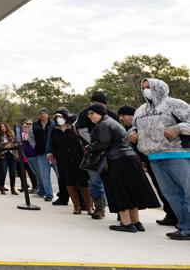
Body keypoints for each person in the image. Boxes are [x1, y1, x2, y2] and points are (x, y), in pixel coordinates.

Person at [128, 78, 190, 241]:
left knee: (187, 192)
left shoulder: (175, 104)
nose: (147, 90)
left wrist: (178, 128)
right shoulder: (141, 110)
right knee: (170, 195)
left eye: (149, 87)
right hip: (154, 157)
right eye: (144, 88)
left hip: (178, 154)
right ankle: (185, 227)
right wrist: (131, 134)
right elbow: (134, 127)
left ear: (159, 87)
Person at [86, 104, 159, 232]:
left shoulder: (104, 124)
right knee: (130, 191)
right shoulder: (112, 122)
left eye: (92, 113)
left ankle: (126, 223)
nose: (90, 116)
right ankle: (135, 222)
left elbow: (103, 143)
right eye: (88, 114)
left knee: (120, 191)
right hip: (130, 159)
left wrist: (89, 147)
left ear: (100, 113)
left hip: (118, 160)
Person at [117, 104, 177, 227]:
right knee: (161, 189)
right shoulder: (129, 130)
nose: (121, 118)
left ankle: (175, 215)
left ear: (132, 116)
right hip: (145, 163)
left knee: (166, 189)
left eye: (124, 115)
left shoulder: (142, 125)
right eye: (120, 116)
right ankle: (170, 215)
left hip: (155, 160)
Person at [76, 92, 118, 220]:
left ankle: (121, 209)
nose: (95, 107)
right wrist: (97, 144)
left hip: (111, 152)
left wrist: (107, 144)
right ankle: (99, 206)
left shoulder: (111, 115)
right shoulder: (84, 114)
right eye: (93, 104)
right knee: (95, 181)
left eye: (99, 105)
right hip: (92, 151)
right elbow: (82, 132)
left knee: (113, 180)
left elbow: (117, 131)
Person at [48, 108, 92, 215]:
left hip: (78, 158)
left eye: (60, 116)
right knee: (69, 182)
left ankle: (88, 206)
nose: (59, 119)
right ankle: (76, 207)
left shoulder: (74, 128)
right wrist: (51, 153)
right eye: (56, 117)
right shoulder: (54, 130)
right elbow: (53, 145)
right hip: (63, 160)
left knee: (83, 182)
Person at [32, 108, 55, 201]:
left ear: (48, 115)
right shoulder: (35, 125)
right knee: (44, 175)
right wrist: (35, 146)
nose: (43, 115)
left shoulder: (53, 124)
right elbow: (31, 138)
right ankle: (49, 194)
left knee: (59, 175)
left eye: (44, 113)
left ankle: (64, 195)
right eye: (41, 113)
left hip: (53, 153)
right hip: (41, 153)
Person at [0, 122, 19, 195]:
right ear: (0, 128)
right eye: (1, 127)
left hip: (12, 154)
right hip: (3, 155)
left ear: (6, 126)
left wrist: (10, 145)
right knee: (3, 172)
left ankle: (13, 188)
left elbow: (16, 141)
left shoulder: (11, 133)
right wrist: (3, 146)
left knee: (13, 172)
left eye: (4, 126)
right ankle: (2, 187)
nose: (3, 128)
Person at [19, 120, 39, 193]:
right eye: (25, 125)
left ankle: (36, 187)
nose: (27, 126)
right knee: (28, 173)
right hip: (24, 156)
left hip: (34, 155)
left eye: (29, 124)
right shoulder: (21, 135)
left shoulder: (33, 133)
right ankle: (28, 186)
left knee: (35, 172)